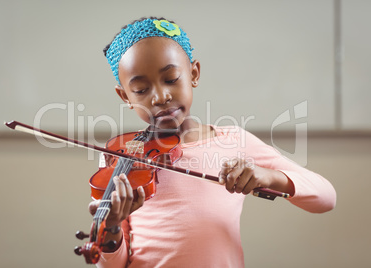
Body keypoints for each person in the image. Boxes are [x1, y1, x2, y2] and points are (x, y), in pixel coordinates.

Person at [88, 17, 336, 268]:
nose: (160, 97)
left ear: (193, 73)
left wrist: (268, 176)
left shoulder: (233, 140)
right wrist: (111, 229)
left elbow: (326, 197)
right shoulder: (121, 156)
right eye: (141, 90)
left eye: (171, 79)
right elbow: (112, 265)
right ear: (125, 96)